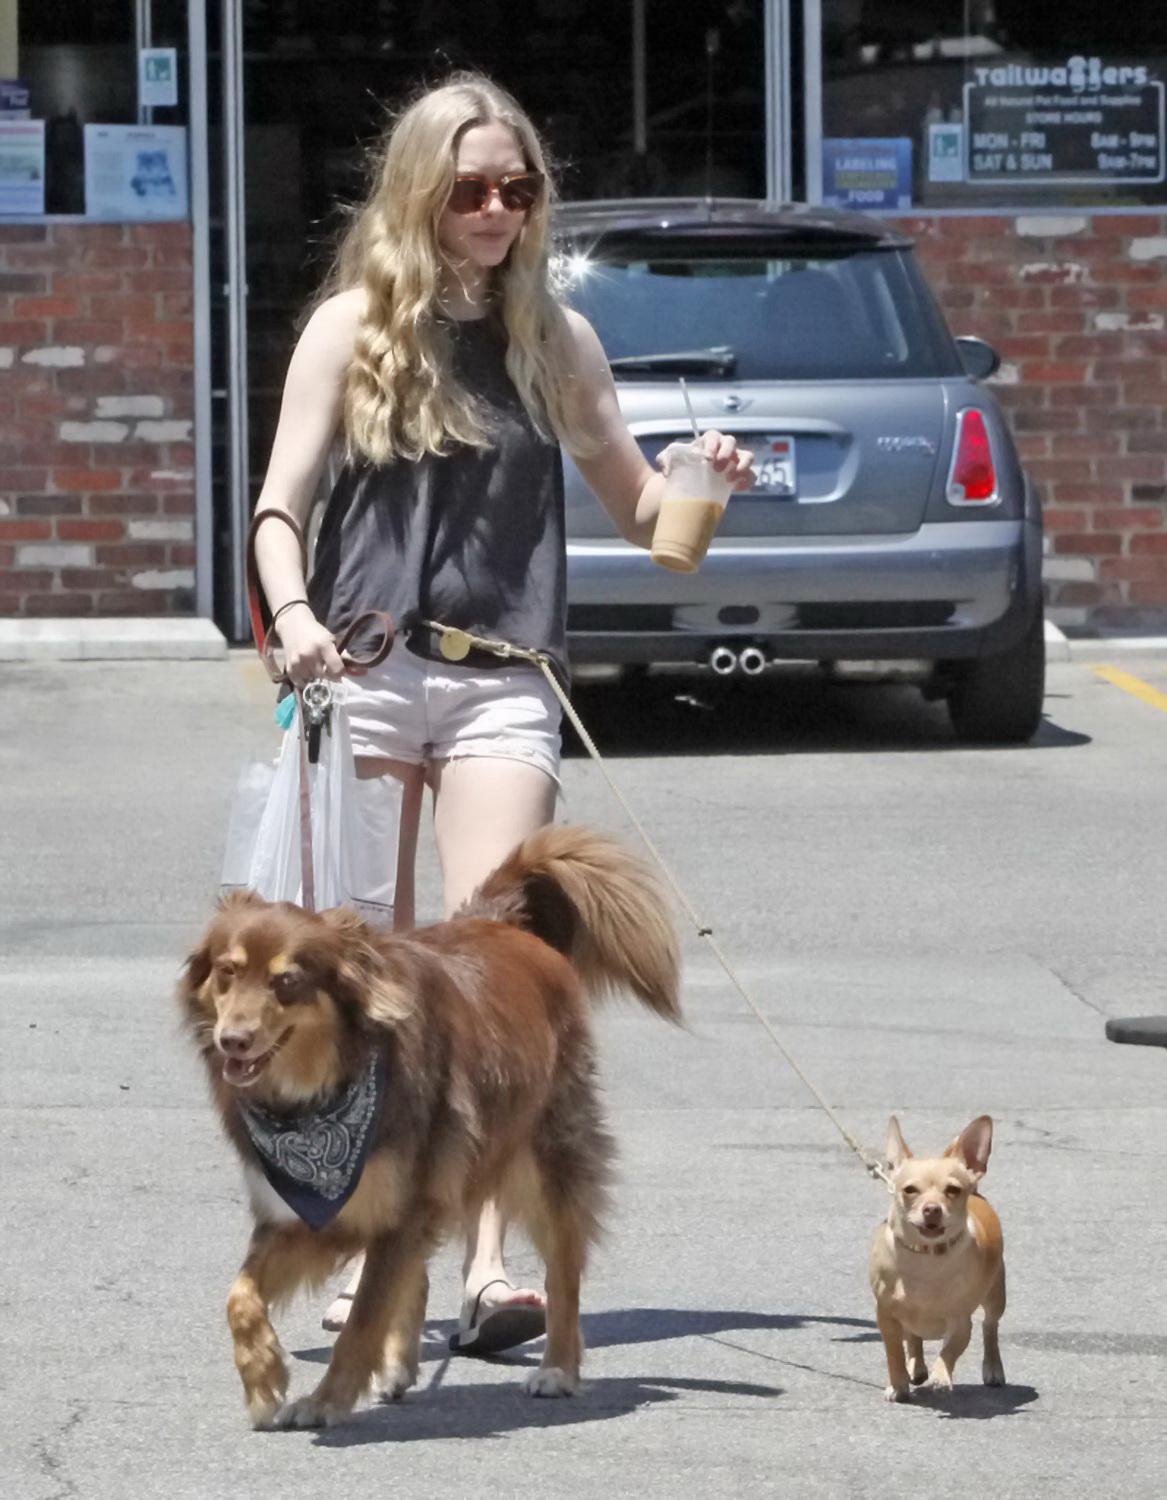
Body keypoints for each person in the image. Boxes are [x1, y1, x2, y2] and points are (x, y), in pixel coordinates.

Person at [250, 71, 755, 1355]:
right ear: (421, 192)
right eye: (471, 189)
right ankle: (368, 1243)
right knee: (352, 969)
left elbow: (654, 525)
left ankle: (483, 1272)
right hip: (356, 667)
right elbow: (278, 510)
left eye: (517, 189)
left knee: (487, 972)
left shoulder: (555, 340)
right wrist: (295, 621)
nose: (495, 211)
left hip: (502, 678)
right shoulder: (350, 328)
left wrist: (705, 485)